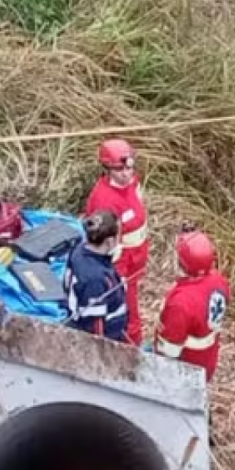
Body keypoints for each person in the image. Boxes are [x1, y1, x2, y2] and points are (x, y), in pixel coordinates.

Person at [85, 138, 149, 345]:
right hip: (121, 264)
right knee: (128, 312)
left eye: (129, 168)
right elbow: (103, 245)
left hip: (135, 258)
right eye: (120, 170)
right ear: (107, 169)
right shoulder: (104, 201)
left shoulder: (132, 183)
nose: (126, 174)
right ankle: (131, 347)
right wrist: (117, 276)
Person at [154, 230, 230, 383]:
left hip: (184, 369)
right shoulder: (219, 281)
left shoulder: (181, 303)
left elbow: (168, 352)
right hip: (206, 361)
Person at [63, 211, 129, 342]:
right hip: (108, 338)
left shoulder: (80, 249)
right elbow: (95, 329)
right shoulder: (95, 281)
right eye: (119, 236)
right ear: (110, 241)